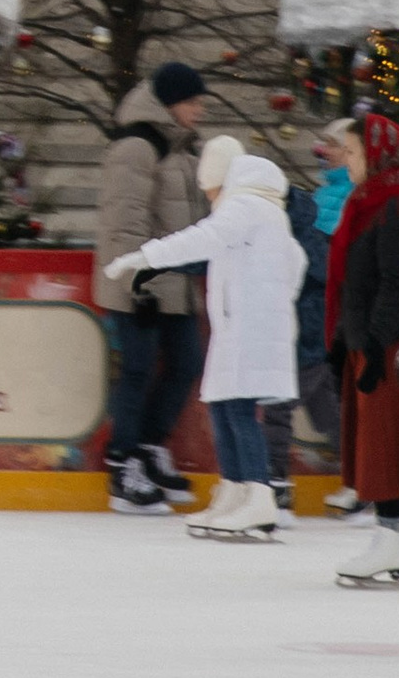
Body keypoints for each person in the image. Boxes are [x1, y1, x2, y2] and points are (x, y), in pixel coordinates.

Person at [106, 136, 303, 544]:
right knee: (224, 408)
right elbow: (294, 262)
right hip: (243, 329)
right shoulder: (265, 211)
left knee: (239, 413)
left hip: (249, 332)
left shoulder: (245, 205)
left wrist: (146, 256)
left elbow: (203, 238)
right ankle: (235, 489)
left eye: (208, 187)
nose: (208, 196)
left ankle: (258, 494)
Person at [325, 110, 399, 590]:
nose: (345, 161)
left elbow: (398, 283)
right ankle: (398, 542)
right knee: (381, 446)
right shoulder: (372, 201)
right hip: (374, 340)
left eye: (352, 151)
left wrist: (373, 345)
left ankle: (390, 538)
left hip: (395, 343)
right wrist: (343, 342)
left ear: (376, 152)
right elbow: (358, 282)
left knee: (387, 449)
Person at [96, 62, 208, 513]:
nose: (198, 111)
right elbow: (125, 222)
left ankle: (147, 446)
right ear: (170, 103)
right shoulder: (137, 147)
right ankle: (122, 464)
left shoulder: (180, 150)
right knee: (139, 370)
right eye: (192, 102)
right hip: (139, 286)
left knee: (186, 363)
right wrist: (138, 285)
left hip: (176, 285)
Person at [287, 124, 355, 505]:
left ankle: (265, 476)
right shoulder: (324, 193)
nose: (321, 150)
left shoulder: (352, 195)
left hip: (334, 307)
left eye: (330, 145)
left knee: (306, 388)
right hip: (316, 304)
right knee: (324, 394)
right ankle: (359, 477)